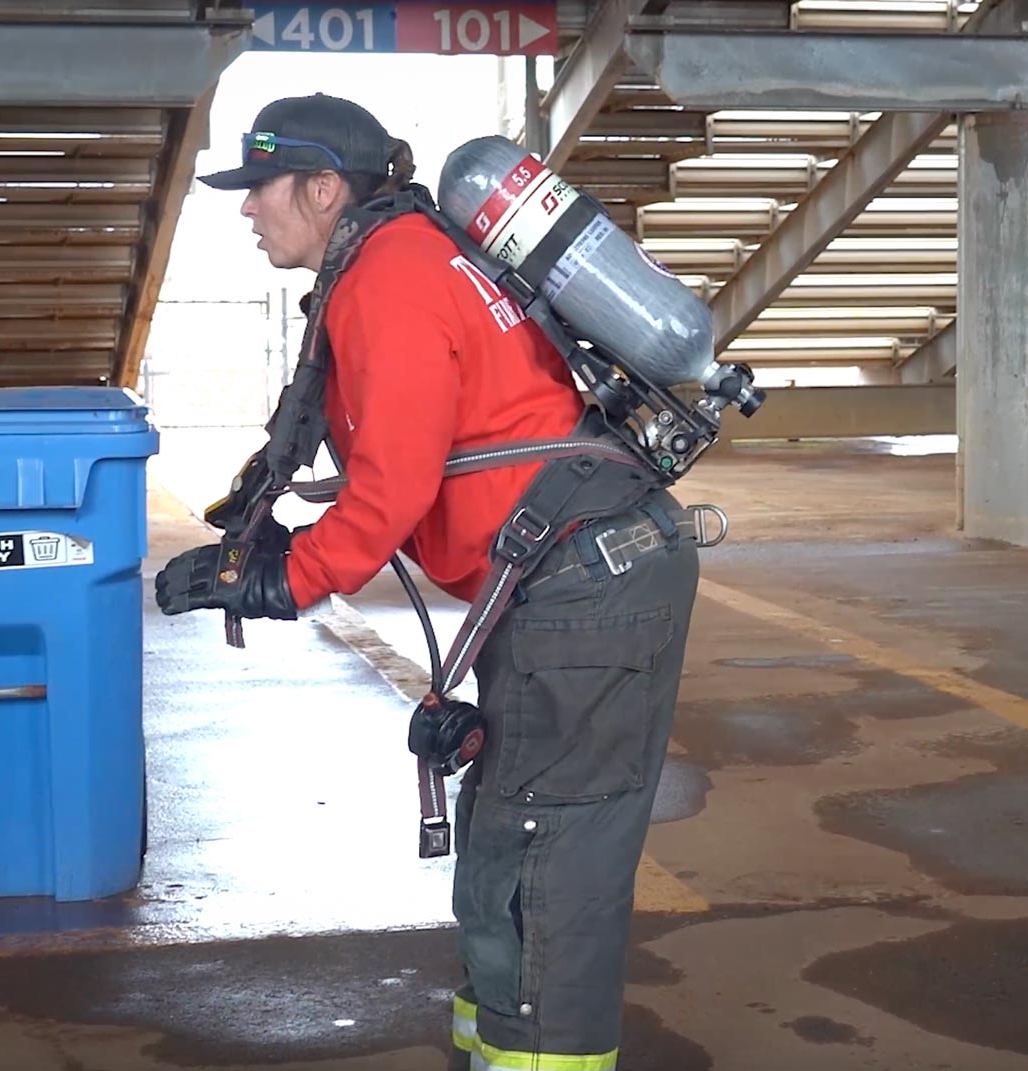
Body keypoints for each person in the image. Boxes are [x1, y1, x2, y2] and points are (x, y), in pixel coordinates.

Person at [154, 93, 701, 1071]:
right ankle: (494, 1046)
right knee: (511, 831)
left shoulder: (389, 281)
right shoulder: (413, 253)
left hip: (584, 586)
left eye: (259, 189)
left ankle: (538, 1059)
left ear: (323, 188)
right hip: (567, 582)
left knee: (545, 854)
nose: (246, 211)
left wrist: (285, 580)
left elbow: (392, 493)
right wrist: (276, 551)